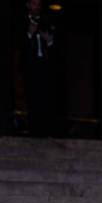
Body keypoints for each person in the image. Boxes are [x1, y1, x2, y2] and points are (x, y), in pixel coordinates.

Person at [23, 0, 57, 136]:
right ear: (28, 5)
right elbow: (19, 44)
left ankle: (46, 130)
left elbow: (56, 46)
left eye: (38, 4)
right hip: (31, 67)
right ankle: (33, 131)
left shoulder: (47, 20)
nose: (36, 6)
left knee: (46, 98)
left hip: (45, 66)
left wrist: (49, 40)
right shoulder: (22, 22)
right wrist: (29, 34)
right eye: (33, 3)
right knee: (32, 98)